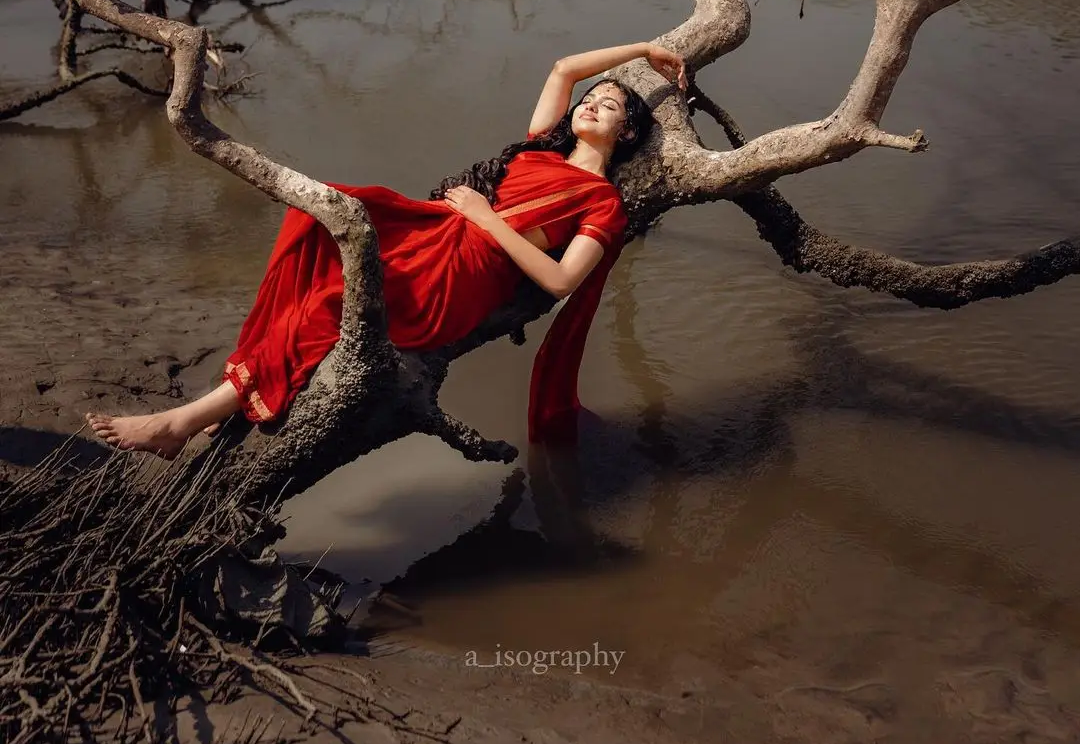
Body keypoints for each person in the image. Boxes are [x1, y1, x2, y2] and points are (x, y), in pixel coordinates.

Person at [86, 41, 687, 457]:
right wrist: (639, 52)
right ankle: (218, 403)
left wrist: (483, 215)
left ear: (626, 133)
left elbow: (560, 283)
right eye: (591, 98)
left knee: (328, 304)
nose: (590, 103)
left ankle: (184, 422)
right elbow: (562, 69)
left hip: (469, 269)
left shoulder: (601, 201)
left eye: (608, 106)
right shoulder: (540, 151)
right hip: (435, 230)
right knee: (329, 211)